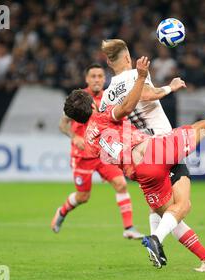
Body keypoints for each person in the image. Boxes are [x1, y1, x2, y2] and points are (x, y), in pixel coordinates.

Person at [63, 56, 205, 269]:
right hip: (154, 151)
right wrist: (142, 76)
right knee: (203, 127)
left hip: (141, 174)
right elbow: (125, 108)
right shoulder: (103, 116)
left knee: (171, 216)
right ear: (91, 104)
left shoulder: (90, 141)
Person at [100, 39, 205, 272]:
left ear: (108, 62)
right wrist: (170, 87)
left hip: (140, 157)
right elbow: (148, 95)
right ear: (127, 57)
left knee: (159, 209)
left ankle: (163, 249)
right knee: (180, 208)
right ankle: (176, 248)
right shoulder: (137, 75)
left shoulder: (106, 97)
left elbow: (110, 134)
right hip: (163, 146)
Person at [51, 63, 144, 240]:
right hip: (82, 156)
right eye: (93, 76)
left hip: (103, 154)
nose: (96, 79)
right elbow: (63, 124)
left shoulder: (109, 97)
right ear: (86, 79)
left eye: (100, 76)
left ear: (104, 79)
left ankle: (129, 228)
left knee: (121, 184)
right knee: (83, 196)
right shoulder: (80, 99)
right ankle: (62, 211)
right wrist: (74, 137)